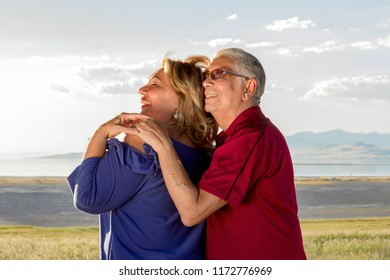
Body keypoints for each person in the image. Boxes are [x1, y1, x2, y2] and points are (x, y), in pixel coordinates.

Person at [130, 48, 307, 260]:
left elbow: (192, 212)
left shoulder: (250, 139)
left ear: (248, 87)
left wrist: (163, 146)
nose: (205, 83)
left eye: (219, 74)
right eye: (206, 76)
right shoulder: (235, 139)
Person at [67, 55, 217, 260]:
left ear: (182, 98)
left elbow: (87, 199)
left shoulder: (142, 143)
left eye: (155, 84)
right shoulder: (204, 150)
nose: (142, 90)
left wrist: (100, 134)